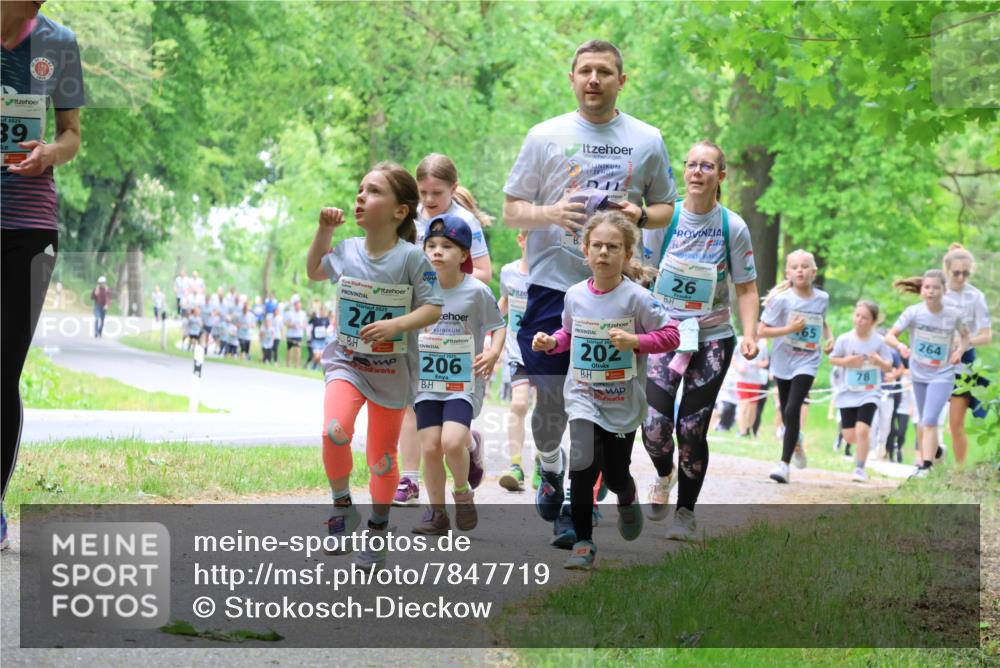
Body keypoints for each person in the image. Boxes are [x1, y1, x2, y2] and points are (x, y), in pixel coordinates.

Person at [503, 39, 678, 536]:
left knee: (600, 398)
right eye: (585, 71)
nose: (594, 79)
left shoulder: (646, 138)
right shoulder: (544, 135)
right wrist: (550, 213)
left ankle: (576, 509)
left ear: (622, 80)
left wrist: (640, 215)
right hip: (552, 286)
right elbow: (512, 208)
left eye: (605, 71)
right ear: (573, 78)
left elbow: (666, 206)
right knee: (551, 399)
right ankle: (551, 470)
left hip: (614, 292)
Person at [306, 162, 443, 570]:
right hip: (347, 361)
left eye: (374, 191)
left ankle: (378, 530)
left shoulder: (412, 260)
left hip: (390, 371)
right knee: (334, 432)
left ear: (400, 211)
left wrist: (395, 325)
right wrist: (324, 231)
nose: (361, 197)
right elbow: (314, 270)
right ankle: (341, 507)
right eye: (360, 190)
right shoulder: (347, 250)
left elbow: (434, 308)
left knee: (382, 457)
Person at [532, 211, 679, 569]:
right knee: (582, 465)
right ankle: (584, 542)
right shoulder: (574, 295)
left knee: (614, 473)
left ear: (628, 254)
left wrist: (635, 341)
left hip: (621, 401)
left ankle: (626, 497)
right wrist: (552, 342)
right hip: (583, 395)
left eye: (613, 247)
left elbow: (672, 334)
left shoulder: (638, 298)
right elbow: (571, 333)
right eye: (596, 245)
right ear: (585, 250)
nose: (603, 253)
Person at [639, 140, 758, 538]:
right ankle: (663, 472)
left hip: (712, 338)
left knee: (691, 429)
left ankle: (685, 513)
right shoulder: (664, 220)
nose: (696, 173)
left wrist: (751, 335)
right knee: (654, 427)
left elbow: (746, 287)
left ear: (720, 176)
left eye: (707, 167)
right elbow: (642, 274)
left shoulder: (732, 226)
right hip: (665, 333)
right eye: (691, 165)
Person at [393, 153, 495, 507]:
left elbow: (483, 271)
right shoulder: (412, 218)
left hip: (456, 324)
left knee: (449, 410)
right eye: (423, 192)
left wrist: (445, 280)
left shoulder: (465, 222)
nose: (429, 200)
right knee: (414, 401)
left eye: (437, 192)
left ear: (453, 188)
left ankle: (467, 442)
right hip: (420, 318)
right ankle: (408, 479)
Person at [411, 216, 505, 535]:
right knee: (430, 448)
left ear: (464, 255)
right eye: (431, 246)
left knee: (452, 443)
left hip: (462, 383)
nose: (437, 252)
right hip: (425, 382)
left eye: (446, 246)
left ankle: (463, 493)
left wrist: (492, 353)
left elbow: (498, 325)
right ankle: (436, 514)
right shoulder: (418, 289)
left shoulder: (476, 292)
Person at [758, 249, 834, 484]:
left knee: (792, 409)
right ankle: (796, 439)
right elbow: (762, 330)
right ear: (788, 272)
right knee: (786, 412)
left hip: (808, 360)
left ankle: (783, 464)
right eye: (795, 267)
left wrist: (829, 337)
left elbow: (822, 322)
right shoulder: (781, 300)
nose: (800, 270)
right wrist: (789, 330)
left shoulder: (822, 298)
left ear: (813, 271)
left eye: (804, 266)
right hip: (783, 360)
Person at [885, 269, 969, 477]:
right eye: (927, 287)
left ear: (944, 290)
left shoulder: (953, 315)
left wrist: (959, 351)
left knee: (929, 420)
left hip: (943, 373)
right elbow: (890, 335)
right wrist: (900, 346)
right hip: (919, 373)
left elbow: (966, 337)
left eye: (935, 288)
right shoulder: (913, 312)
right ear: (922, 290)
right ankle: (937, 451)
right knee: (923, 421)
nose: (930, 292)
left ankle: (926, 466)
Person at [829, 301, 895, 482]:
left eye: (864, 317)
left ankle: (859, 469)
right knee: (850, 436)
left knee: (862, 430)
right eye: (857, 315)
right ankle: (864, 446)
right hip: (847, 392)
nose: (859, 320)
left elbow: (889, 366)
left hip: (870, 392)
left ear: (873, 321)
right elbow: (832, 359)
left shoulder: (879, 342)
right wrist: (847, 361)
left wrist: (878, 362)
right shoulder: (845, 339)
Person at [941, 244, 992, 466]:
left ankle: (960, 471)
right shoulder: (937, 291)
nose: (961, 277)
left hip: (963, 362)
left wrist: (963, 341)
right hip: (934, 360)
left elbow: (986, 336)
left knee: (955, 423)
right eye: (956, 272)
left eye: (966, 273)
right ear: (947, 270)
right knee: (926, 418)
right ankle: (926, 461)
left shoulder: (976, 297)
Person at [497, 232, 534, 492]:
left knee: (545, 411)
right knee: (519, 404)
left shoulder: (551, 274)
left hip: (546, 352)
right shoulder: (508, 272)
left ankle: (545, 464)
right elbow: (504, 304)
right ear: (520, 240)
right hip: (517, 351)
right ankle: (516, 466)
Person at [284, 296, 307, 368]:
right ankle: (288, 363)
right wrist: (292, 325)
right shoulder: (290, 313)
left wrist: (301, 326)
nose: (298, 306)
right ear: (294, 305)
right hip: (290, 334)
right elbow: (286, 323)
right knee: (289, 350)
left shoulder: (303, 313)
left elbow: (305, 324)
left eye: (299, 305)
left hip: (298, 335)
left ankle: (296, 365)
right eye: (297, 305)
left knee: (297, 349)